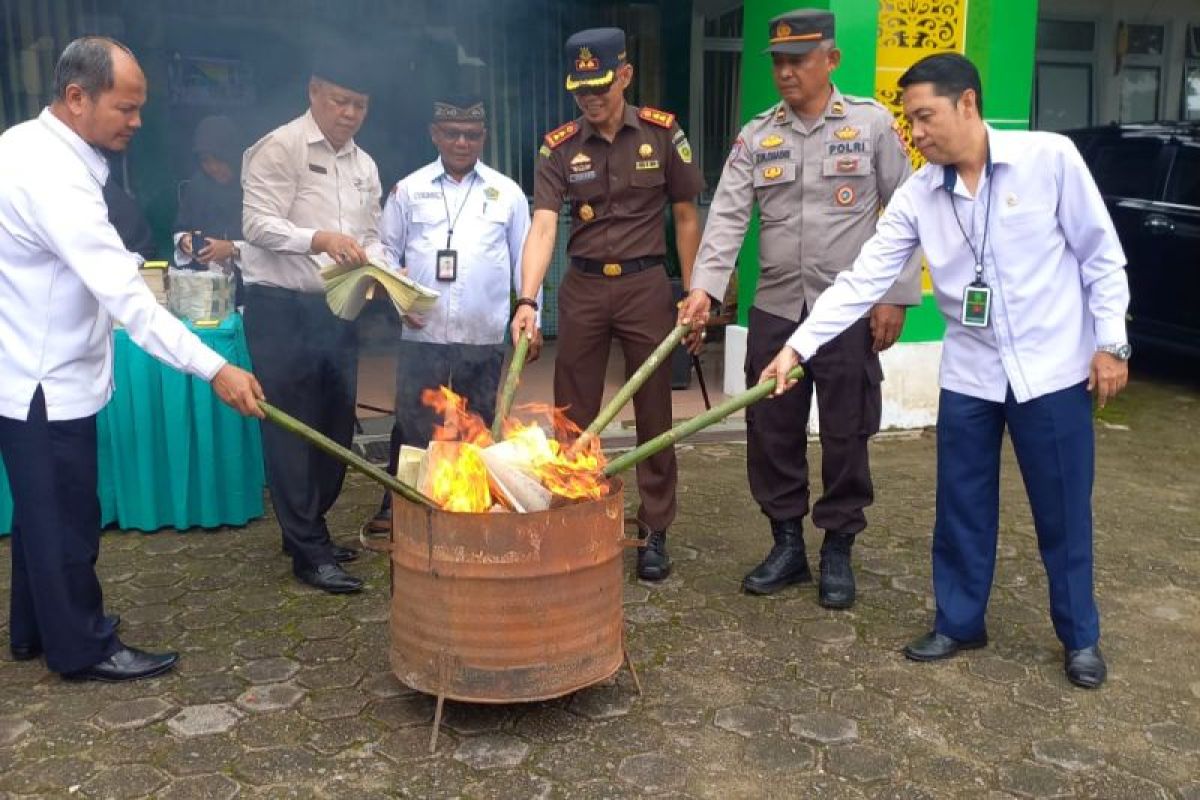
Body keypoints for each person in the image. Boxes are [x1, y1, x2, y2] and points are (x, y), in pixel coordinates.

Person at [760, 52, 1129, 688]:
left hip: (1052, 372)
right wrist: (798, 346)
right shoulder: (920, 195)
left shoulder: (1050, 160)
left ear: (967, 104)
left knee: (1063, 510)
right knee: (961, 506)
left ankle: (1080, 636)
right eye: (910, 121)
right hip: (971, 376)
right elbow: (862, 279)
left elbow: (1101, 256)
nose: (917, 133)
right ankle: (960, 620)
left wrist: (1111, 344)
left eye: (926, 117)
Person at [0, 37, 264, 682]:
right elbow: (128, 298)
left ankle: (33, 632)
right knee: (66, 521)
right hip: (44, 380)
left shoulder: (21, 145)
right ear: (76, 98)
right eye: (127, 108)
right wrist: (216, 368)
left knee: (42, 512)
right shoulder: (52, 176)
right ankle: (83, 648)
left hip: (27, 366)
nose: (138, 122)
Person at [680, 9, 920, 609]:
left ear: (831, 60)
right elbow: (729, 217)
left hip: (848, 314)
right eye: (779, 62)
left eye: (799, 60)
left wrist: (895, 295)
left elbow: (910, 212)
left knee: (846, 431)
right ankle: (787, 543)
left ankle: (837, 546)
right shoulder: (758, 135)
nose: (786, 73)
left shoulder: (870, 125)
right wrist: (704, 289)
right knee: (772, 432)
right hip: (778, 308)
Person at [510, 27, 704, 581]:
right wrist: (528, 299)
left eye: (600, 86)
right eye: (580, 90)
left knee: (653, 410)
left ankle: (654, 528)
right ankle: (578, 513)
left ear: (625, 74)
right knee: (573, 410)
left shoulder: (664, 134)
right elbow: (544, 225)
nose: (591, 99)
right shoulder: (559, 145)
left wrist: (694, 292)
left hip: (647, 286)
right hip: (584, 289)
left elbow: (687, 216)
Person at [240, 52, 385, 594]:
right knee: (292, 425)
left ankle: (307, 527)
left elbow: (369, 236)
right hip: (281, 304)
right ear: (314, 91)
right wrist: (317, 239)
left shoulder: (364, 165)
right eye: (341, 100)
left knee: (334, 424)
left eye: (360, 105)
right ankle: (308, 549)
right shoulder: (280, 147)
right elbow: (254, 223)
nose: (349, 113)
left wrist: (382, 271)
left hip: (337, 306)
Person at [364, 96, 534, 533]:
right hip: (423, 333)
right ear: (434, 134)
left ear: (484, 138)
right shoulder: (408, 189)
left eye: (472, 135)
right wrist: (396, 291)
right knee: (414, 423)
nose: (462, 142)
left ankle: (473, 502)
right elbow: (383, 250)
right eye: (452, 133)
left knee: (479, 421)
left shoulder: (508, 193)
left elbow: (525, 262)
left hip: (483, 334)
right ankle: (399, 502)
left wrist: (528, 316)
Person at [174, 115, 246, 302]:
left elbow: (270, 245)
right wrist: (184, 241)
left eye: (219, 160)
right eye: (206, 161)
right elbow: (181, 226)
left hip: (250, 291)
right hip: (205, 292)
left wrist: (232, 248)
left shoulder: (252, 185)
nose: (213, 168)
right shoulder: (197, 186)